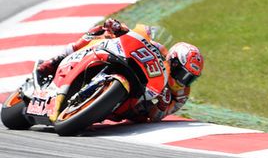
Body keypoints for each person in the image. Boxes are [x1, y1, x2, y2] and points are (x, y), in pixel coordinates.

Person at [37, 18, 204, 123]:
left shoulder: (181, 94)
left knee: (135, 114)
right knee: (98, 32)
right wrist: (119, 28)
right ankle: (56, 60)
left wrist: (161, 105)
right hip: (131, 67)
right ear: (173, 61)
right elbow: (138, 37)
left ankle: (93, 107)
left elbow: (156, 117)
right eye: (184, 74)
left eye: (190, 78)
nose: (184, 80)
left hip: (135, 106)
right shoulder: (160, 50)